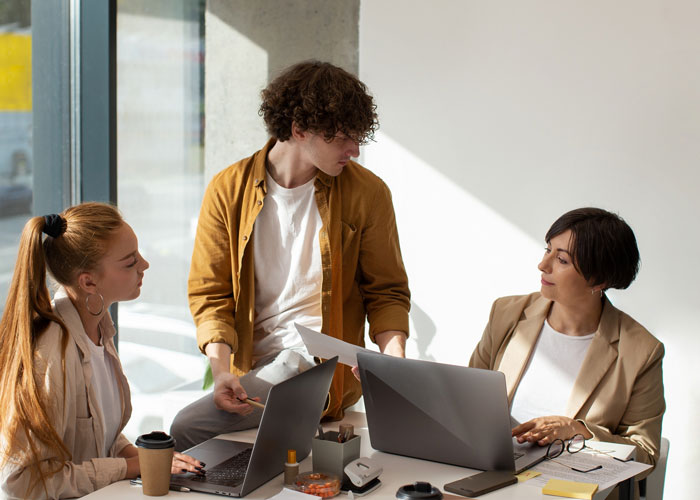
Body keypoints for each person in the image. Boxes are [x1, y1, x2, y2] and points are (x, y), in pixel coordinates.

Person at [170, 60, 411, 451]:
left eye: (358, 136)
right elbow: (211, 294)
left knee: (185, 428)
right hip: (253, 373)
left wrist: (394, 359)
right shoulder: (228, 190)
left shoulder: (368, 193)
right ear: (299, 130)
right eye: (341, 138)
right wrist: (219, 369)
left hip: (317, 370)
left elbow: (387, 291)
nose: (355, 149)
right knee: (192, 432)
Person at [0, 203, 202, 499]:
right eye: (130, 262)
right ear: (89, 281)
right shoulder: (51, 357)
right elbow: (20, 481)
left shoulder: (97, 330)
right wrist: (129, 467)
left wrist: (144, 459)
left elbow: (94, 433)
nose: (144, 265)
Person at [469, 207, 664, 496]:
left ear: (598, 280)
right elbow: (468, 401)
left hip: (569, 489)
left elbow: (645, 455)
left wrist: (579, 431)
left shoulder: (641, 351)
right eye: (547, 250)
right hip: (493, 477)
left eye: (561, 259)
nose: (542, 264)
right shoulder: (507, 313)